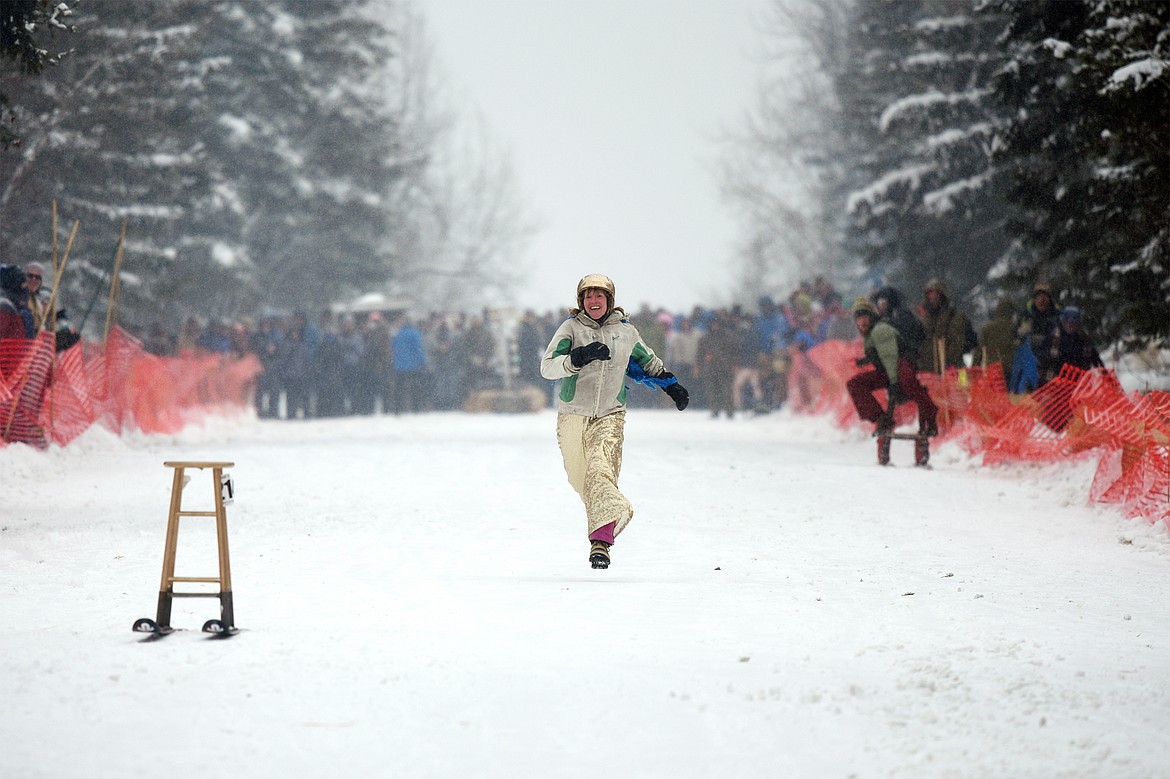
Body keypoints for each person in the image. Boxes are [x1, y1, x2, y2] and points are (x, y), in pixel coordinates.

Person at [540, 274, 688, 570]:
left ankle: (602, 541)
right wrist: (577, 357)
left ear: (609, 300)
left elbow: (649, 362)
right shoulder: (570, 329)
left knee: (600, 470)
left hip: (611, 414)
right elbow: (548, 368)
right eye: (588, 296)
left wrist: (672, 386)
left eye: (599, 295)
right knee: (580, 477)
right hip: (573, 415)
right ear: (580, 301)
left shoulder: (626, 332)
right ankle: (605, 522)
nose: (593, 301)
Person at [846, 297, 938, 437]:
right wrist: (866, 360)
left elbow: (890, 358)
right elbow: (881, 355)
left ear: (871, 316)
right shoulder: (870, 334)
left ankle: (930, 414)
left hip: (900, 366)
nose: (862, 321)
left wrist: (894, 384)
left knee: (908, 383)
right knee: (855, 384)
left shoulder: (880, 330)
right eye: (858, 318)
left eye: (864, 317)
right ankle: (881, 419)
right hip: (888, 371)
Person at [918, 278, 972, 373]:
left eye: (934, 293)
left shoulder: (955, 315)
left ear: (941, 294)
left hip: (955, 369)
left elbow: (957, 343)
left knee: (963, 386)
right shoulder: (924, 318)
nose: (931, 296)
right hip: (931, 372)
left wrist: (947, 363)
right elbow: (923, 343)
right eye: (929, 293)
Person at [1053, 307, 1104, 373]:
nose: (1070, 325)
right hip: (1057, 379)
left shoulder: (1085, 340)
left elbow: (1096, 361)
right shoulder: (1054, 339)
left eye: (1073, 322)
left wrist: (1104, 373)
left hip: (1081, 379)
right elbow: (1043, 360)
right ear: (1063, 322)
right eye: (1067, 322)